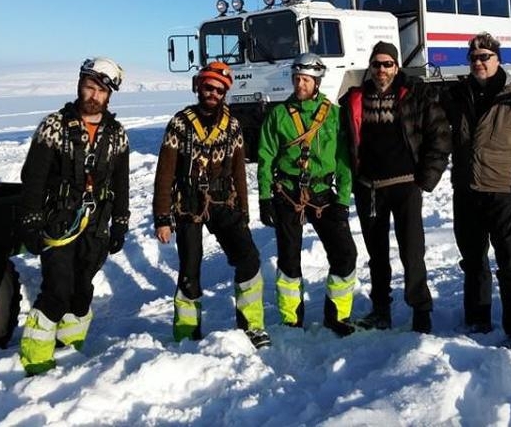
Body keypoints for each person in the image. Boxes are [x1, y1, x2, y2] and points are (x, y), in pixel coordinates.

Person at [17, 58, 130, 375]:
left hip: (97, 226)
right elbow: (33, 178)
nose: (92, 95)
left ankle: (69, 349)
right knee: (58, 288)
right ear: (80, 85)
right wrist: (30, 220)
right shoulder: (53, 127)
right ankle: (36, 361)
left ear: (109, 96)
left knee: (82, 291)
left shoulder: (117, 134)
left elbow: (121, 182)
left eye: (99, 90)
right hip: (59, 221)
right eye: (88, 86)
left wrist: (120, 221)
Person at [153, 61, 270, 349]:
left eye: (219, 89)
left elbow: (239, 171)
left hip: (223, 200)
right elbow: (165, 173)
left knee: (249, 259)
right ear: (198, 87)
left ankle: (252, 325)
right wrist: (162, 217)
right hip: (189, 203)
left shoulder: (231, 125)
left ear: (225, 93)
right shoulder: (180, 124)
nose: (212, 93)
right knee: (189, 271)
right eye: (208, 87)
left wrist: (243, 211)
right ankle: (186, 333)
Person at [340, 41, 450, 333]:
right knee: (376, 255)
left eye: (387, 64)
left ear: (396, 67)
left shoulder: (416, 96)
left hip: (405, 187)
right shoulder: (355, 99)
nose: (381, 70)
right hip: (369, 189)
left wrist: (427, 179)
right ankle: (380, 311)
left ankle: (421, 311)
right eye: (376, 64)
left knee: (412, 252)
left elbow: (439, 136)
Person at [444, 32, 511, 348]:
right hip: (466, 190)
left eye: (484, 57)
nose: (478, 63)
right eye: (473, 58)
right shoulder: (458, 95)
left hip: (502, 191)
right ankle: (477, 319)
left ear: (497, 59)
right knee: (473, 261)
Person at [257, 52, 357, 336]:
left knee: (345, 254)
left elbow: (343, 162)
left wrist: (342, 200)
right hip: (287, 193)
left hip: (324, 195)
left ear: (317, 82)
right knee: (289, 259)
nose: (300, 85)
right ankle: (291, 319)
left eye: (305, 80)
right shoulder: (277, 116)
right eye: (296, 79)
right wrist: (265, 198)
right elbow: (265, 159)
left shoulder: (333, 115)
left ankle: (337, 315)